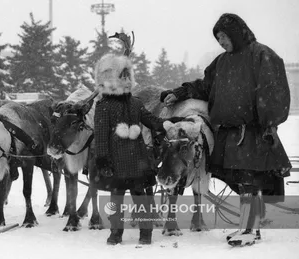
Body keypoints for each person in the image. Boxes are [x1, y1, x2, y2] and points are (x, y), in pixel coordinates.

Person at [160, 13, 292, 247]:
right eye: (218, 38)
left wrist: (268, 124)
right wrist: (180, 93)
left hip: (254, 131)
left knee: (250, 181)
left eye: (223, 36)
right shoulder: (221, 62)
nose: (220, 41)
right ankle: (248, 228)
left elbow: (274, 91)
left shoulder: (261, 55)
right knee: (243, 181)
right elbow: (204, 87)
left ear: (236, 33)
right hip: (230, 134)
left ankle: (250, 229)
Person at [93, 51, 166, 245]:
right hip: (116, 160)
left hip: (138, 160)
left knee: (142, 199)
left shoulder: (135, 103)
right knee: (116, 200)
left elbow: (150, 120)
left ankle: (146, 234)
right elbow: (100, 136)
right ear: (111, 79)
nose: (125, 79)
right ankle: (116, 233)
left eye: (127, 75)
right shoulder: (104, 105)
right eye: (121, 76)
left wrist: (166, 124)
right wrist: (102, 159)